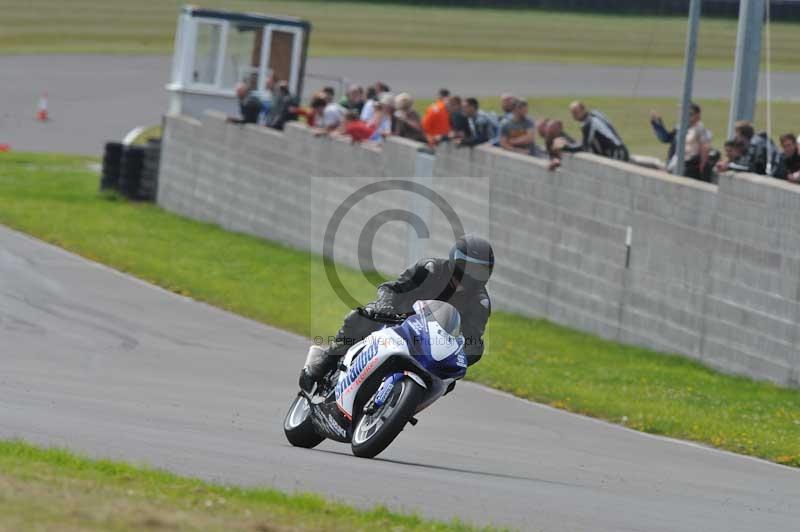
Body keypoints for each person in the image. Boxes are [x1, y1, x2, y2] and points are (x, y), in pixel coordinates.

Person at [300, 235, 494, 390]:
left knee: (447, 382)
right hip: (397, 320)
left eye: (478, 271)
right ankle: (324, 363)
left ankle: (401, 404)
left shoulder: (480, 303)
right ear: (454, 262)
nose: (470, 275)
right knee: (360, 317)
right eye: (466, 267)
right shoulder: (430, 269)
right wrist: (385, 306)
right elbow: (392, 288)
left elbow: (471, 339)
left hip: (430, 345)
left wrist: (461, 359)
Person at [665, 103, 712, 181]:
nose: (687, 116)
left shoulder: (700, 129)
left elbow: (705, 148)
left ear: (698, 115)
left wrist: (702, 166)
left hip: (691, 166)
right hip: (679, 163)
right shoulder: (683, 127)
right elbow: (667, 139)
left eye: (690, 114)